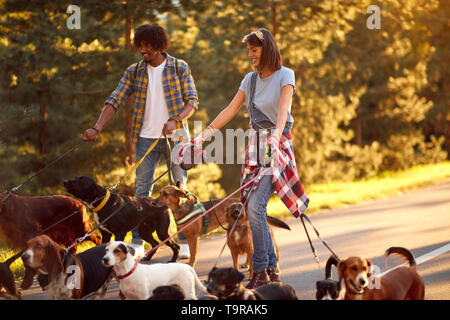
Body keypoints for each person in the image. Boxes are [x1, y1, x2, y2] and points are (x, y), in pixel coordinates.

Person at [194, 28, 308, 289]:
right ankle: (270, 270)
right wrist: (203, 135)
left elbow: (283, 109)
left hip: (277, 145)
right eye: (249, 51)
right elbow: (231, 109)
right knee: (254, 208)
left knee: (256, 208)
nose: (250, 55)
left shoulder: (285, 75)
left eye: (254, 50)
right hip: (256, 146)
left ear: (266, 49)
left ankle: (260, 271)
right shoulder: (250, 80)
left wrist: (276, 136)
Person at [82, 23, 197, 259]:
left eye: (147, 47)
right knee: (142, 191)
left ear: (159, 45)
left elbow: (192, 101)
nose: (142, 52)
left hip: (176, 137)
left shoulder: (179, 67)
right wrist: (97, 127)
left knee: (180, 188)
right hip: (145, 138)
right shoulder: (134, 71)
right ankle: (137, 243)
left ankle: (184, 241)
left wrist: (176, 120)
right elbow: (115, 98)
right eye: (140, 47)